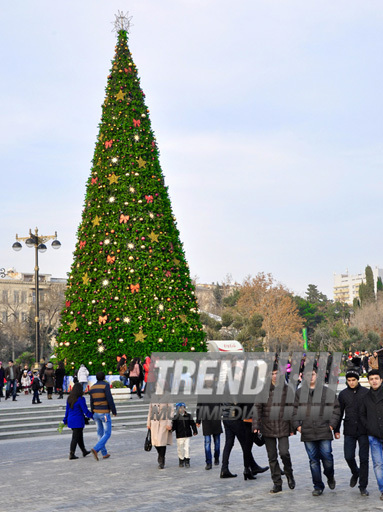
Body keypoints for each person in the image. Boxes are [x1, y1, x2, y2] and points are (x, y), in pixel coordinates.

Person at [292, 367, 340, 496]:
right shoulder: (299, 393)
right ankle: (318, 486)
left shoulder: (327, 392)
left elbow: (336, 410)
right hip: (307, 431)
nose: (310, 377)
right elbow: (293, 411)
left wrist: (331, 426)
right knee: (313, 461)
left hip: (324, 430)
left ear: (317, 375)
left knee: (327, 457)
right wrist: (298, 427)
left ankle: (330, 476)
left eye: (312, 374)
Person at [253, 366, 295, 493]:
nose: (275, 376)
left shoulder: (287, 389)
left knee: (284, 453)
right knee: (272, 457)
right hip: (267, 427)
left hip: (283, 426)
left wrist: (292, 427)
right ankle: (277, 482)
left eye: (277, 373)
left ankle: (289, 473)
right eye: (272, 373)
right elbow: (257, 408)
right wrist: (255, 425)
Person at [336, 369, 369, 496]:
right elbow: (339, 413)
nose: (351, 382)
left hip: (364, 430)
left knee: (364, 459)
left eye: (353, 380)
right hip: (349, 429)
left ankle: (363, 486)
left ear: (357, 380)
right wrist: (337, 429)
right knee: (348, 456)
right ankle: (356, 472)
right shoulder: (343, 394)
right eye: (349, 380)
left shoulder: (366, 393)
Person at [360, 370, 383, 501]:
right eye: (371, 379)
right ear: (368, 381)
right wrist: (369, 426)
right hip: (373, 435)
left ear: (381, 379)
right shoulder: (366, 397)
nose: (374, 381)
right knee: (378, 464)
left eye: (376, 378)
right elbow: (362, 415)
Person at [89, 371, 117, 460]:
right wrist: (114, 410)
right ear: (104, 377)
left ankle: (104, 453)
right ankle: (96, 449)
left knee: (99, 433)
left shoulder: (92, 387)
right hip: (104, 412)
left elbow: (91, 401)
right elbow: (109, 399)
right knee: (107, 433)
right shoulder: (105, 385)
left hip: (96, 412)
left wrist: (92, 411)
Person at [63, 382, 93, 460]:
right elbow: (85, 410)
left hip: (71, 419)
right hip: (78, 420)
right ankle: (71, 453)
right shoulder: (81, 399)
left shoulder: (69, 398)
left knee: (79, 436)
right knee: (75, 437)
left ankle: (84, 451)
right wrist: (92, 416)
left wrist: (65, 419)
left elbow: (67, 410)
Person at [196, 400, 223, 470]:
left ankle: (216, 457)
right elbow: (199, 408)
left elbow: (223, 405)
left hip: (216, 421)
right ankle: (208, 462)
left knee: (217, 443)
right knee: (207, 443)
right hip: (206, 422)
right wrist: (198, 421)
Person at [147, 402, 174, 469]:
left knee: (161, 441)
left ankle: (161, 460)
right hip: (154, 422)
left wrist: (169, 423)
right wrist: (148, 423)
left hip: (164, 423)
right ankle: (160, 455)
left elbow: (171, 411)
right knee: (156, 443)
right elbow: (150, 411)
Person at [172, 402, 198, 467]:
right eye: (180, 408)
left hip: (187, 435)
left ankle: (187, 460)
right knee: (180, 448)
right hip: (179, 435)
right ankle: (181, 459)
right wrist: (170, 430)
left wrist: (195, 431)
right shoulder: (176, 417)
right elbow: (174, 426)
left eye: (183, 408)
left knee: (187, 447)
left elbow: (192, 424)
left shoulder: (188, 416)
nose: (182, 409)